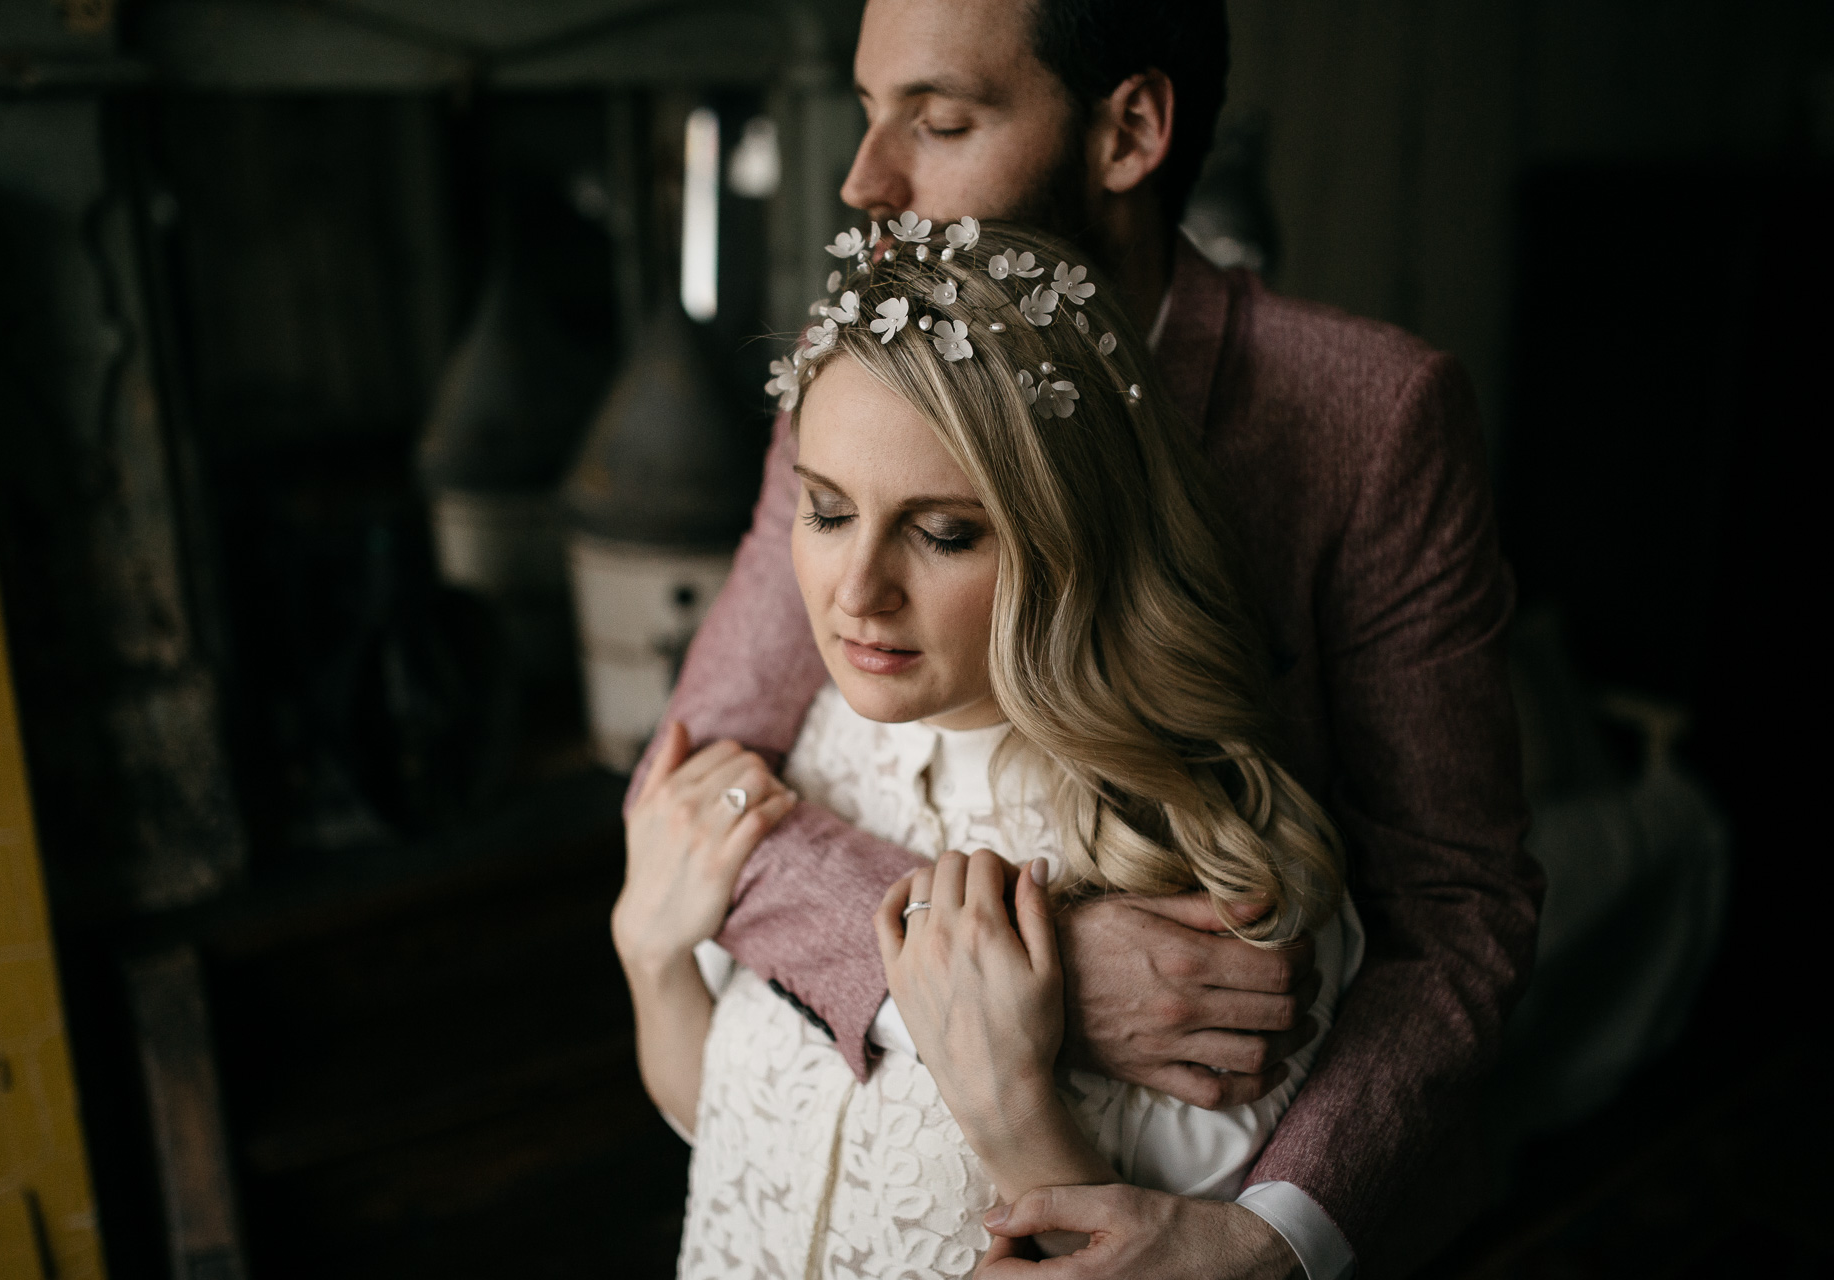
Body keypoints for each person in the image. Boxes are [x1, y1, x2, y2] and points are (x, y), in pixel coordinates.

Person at [633, 1, 1540, 1276]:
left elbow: (1455, 895)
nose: (864, 179)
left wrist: (1268, 1240)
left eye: (941, 120)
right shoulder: (868, 380)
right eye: (867, 108)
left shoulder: (1370, 418)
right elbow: (687, 776)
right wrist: (1017, 972)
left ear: (1130, 130)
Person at [614, 220, 1364, 1277]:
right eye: (827, 511)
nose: (854, 592)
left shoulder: (1202, 880)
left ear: (1074, 534)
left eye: (943, 531)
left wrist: (1009, 1099)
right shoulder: (805, 745)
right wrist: (652, 963)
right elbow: (730, 1131)